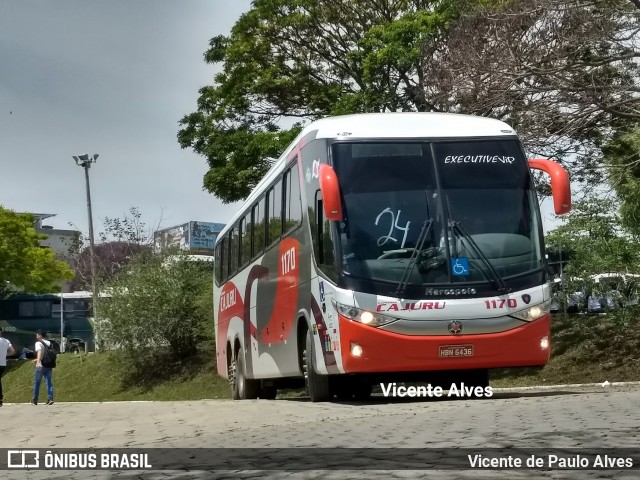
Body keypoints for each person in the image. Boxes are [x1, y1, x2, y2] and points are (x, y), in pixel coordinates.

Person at [31, 329, 54, 405]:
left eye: (37, 334)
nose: (36, 336)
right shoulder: (49, 343)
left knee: (37, 382)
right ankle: (50, 399)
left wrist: (38, 362)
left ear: (40, 335)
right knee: (49, 382)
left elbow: (40, 352)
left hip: (41, 365)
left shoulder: (38, 343)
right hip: (49, 364)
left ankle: (35, 399)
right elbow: (47, 354)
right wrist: (36, 359)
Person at [0, 327, 16, 407]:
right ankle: (0, 399)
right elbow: (13, 351)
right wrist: (4, 355)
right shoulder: (6, 341)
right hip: (3, 364)